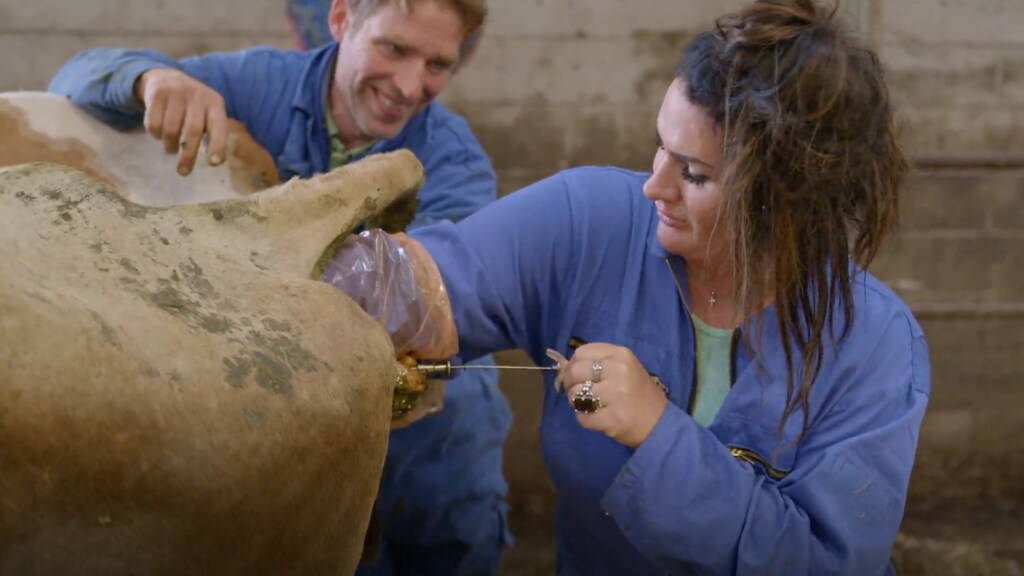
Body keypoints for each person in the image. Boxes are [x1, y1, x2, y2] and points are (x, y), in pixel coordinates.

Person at [323, 0, 931, 574]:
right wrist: (285, 272)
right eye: (660, 149)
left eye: (692, 174)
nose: (654, 186)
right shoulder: (590, 222)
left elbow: (821, 561)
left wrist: (655, 430)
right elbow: (419, 290)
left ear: (788, 203)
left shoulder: (874, 345)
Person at [48, 1, 513, 575]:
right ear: (342, 20)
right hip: (267, 374)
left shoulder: (456, 165)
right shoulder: (256, 84)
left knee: (453, 444)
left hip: (397, 385)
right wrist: (150, 79)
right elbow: (74, 80)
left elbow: (428, 303)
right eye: (393, 49)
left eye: (438, 64)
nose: (410, 85)